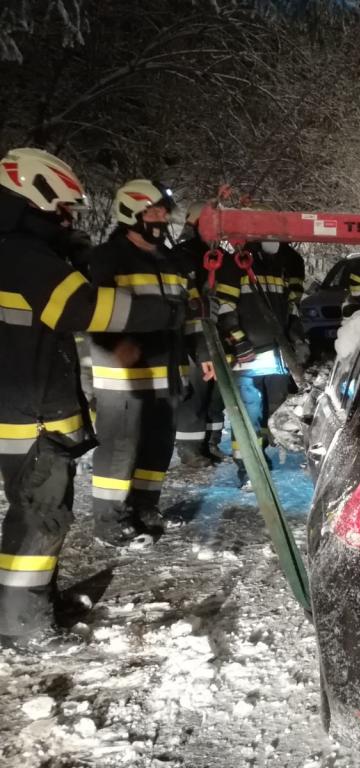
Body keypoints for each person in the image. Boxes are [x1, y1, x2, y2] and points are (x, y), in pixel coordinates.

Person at [0, 148, 178, 640]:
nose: (68, 219)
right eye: (62, 210)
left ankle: (32, 604)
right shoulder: (21, 255)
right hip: (31, 414)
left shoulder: (18, 251)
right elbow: (81, 306)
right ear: (35, 199)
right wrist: (165, 312)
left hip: (24, 405)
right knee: (40, 517)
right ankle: (23, 625)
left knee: (37, 512)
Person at [88, 179, 200, 545]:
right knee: (120, 449)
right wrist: (116, 344)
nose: (161, 218)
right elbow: (93, 312)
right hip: (125, 375)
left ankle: (145, 506)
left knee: (157, 446)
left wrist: (199, 354)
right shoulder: (108, 258)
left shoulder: (170, 261)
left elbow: (187, 314)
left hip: (167, 372)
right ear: (130, 213)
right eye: (152, 212)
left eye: (164, 212)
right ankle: (110, 520)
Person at [215, 238, 308, 486]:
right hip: (248, 357)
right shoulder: (236, 264)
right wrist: (238, 341)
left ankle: (261, 456)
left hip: (277, 355)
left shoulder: (282, 265)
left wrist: (297, 338)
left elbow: (291, 308)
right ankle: (248, 468)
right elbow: (224, 308)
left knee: (272, 411)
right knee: (249, 413)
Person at [170, 201, 229, 465]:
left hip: (214, 333)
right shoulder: (182, 256)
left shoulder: (218, 256)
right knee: (196, 391)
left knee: (214, 393)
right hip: (190, 336)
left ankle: (210, 442)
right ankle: (190, 448)